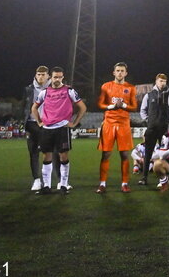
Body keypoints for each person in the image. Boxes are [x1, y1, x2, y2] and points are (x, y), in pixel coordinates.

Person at [31, 67, 86, 195]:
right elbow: (34, 108)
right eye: (55, 77)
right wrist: (39, 122)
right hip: (47, 129)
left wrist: (75, 123)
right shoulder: (45, 92)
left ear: (62, 77)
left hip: (62, 128)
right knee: (46, 157)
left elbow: (82, 107)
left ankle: (63, 185)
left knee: (63, 156)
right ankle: (47, 187)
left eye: (59, 77)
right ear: (51, 77)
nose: (57, 79)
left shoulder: (69, 90)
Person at [96, 62, 138, 194]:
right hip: (109, 123)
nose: (120, 73)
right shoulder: (106, 86)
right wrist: (111, 106)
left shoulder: (131, 88)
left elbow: (134, 107)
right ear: (113, 72)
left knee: (124, 154)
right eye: (118, 70)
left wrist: (123, 106)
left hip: (123, 124)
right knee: (106, 154)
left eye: (122, 71)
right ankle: (102, 184)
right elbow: (100, 104)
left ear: (126, 73)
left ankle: (124, 183)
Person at [22, 66, 50, 191]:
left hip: (48, 124)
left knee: (49, 153)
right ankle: (36, 180)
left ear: (48, 76)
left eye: (43, 74)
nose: (41, 77)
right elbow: (23, 106)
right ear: (35, 75)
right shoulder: (28, 89)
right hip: (32, 124)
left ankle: (48, 180)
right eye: (39, 74)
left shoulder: (53, 89)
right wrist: (24, 122)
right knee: (33, 153)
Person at [138, 73, 169, 185]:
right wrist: (148, 121)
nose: (162, 83)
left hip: (164, 129)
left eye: (164, 81)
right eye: (161, 81)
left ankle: (164, 178)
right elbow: (143, 110)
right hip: (151, 129)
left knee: (164, 154)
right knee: (148, 153)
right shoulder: (149, 95)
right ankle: (144, 177)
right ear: (156, 81)